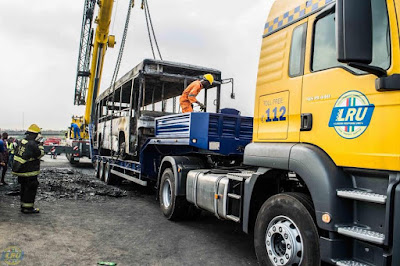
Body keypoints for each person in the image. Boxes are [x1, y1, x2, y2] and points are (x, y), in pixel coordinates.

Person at [12, 124, 44, 214]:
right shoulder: (32, 144)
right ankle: (28, 208)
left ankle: (23, 206)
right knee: (30, 190)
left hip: (20, 171)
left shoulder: (22, 141)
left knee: (23, 189)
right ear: (35, 134)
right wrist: (41, 145)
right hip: (29, 172)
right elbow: (39, 154)